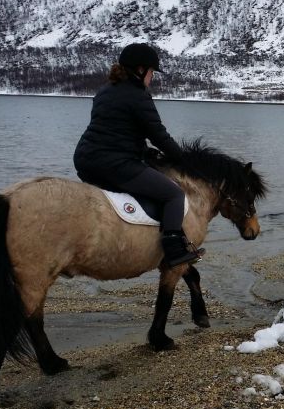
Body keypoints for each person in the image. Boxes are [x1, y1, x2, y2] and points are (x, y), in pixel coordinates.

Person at [73, 43, 203, 266]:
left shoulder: (105, 91)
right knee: (173, 195)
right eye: (152, 72)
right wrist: (185, 159)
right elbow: (159, 135)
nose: (152, 77)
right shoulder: (138, 96)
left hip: (85, 161)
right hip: (114, 164)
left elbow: (117, 130)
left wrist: (144, 151)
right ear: (141, 70)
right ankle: (173, 249)